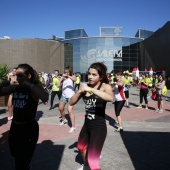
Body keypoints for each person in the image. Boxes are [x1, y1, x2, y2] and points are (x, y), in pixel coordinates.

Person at [0, 63, 49, 170]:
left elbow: (45, 97)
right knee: (14, 153)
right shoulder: (15, 87)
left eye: (20, 75)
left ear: (29, 76)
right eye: (16, 75)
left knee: (21, 162)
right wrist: (6, 82)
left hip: (28, 129)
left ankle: (26, 165)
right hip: (15, 127)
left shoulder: (34, 88)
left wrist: (29, 85)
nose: (17, 77)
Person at [69, 62, 113, 170]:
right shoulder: (85, 86)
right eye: (89, 74)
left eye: (94, 74)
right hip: (87, 124)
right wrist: (80, 91)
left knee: (93, 162)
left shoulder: (104, 86)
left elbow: (110, 98)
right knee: (80, 147)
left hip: (99, 127)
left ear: (101, 76)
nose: (90, 77)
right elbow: (71, 102)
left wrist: (92, 90)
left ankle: (90, 164)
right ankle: (86, 165)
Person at [58, 66, 76, 133]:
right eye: (65, 72)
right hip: (64, 96)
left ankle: (73, 126)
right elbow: (58, 86)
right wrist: (61, 78)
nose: (66, 73)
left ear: (70, 72)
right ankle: (64, 120)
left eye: (67, 72)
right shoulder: (63, 78)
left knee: (69, 111)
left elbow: (75, 80)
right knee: (60, 108)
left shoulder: (72, 76)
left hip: (71, 96)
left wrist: (68, 76)